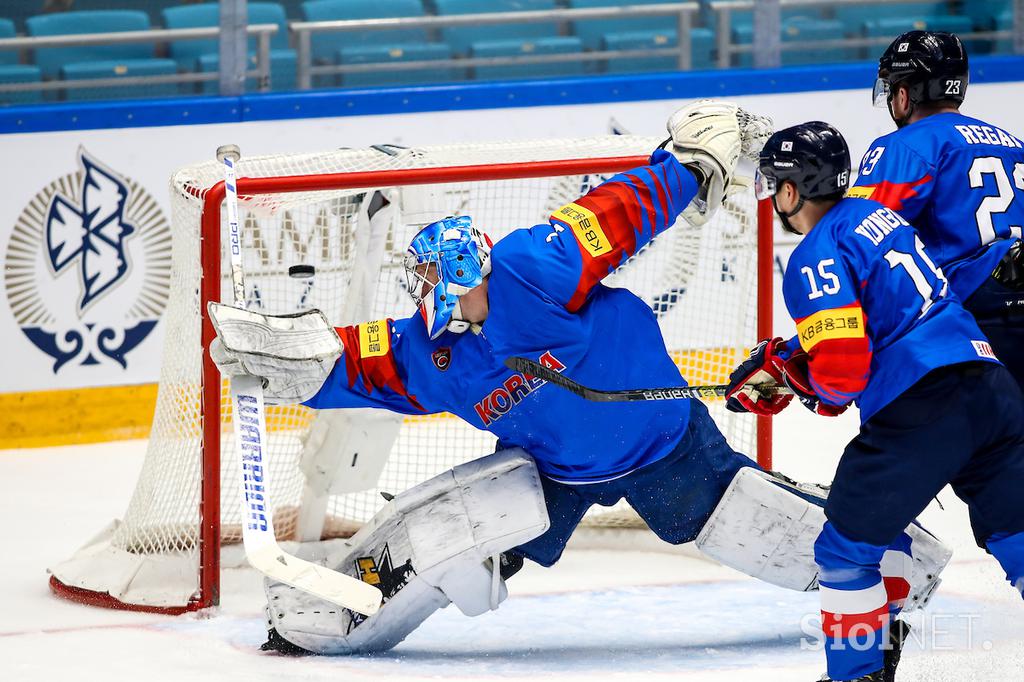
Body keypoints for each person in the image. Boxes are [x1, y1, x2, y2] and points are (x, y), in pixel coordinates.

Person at [208, 102, 946, 657]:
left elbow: (617, 213)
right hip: (555, 472)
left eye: (429, 274)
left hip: (665, 440)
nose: (420, 286)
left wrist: (686, 169)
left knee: (751, 522)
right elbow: (356, 362)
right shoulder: (432, 353)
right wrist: (294, 360)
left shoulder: (532, 266)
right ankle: (332, 617)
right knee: (471, 528)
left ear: (461, 270)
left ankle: (894, 565)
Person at [727, 121, 1024, 682]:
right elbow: (889, 306)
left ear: (791, 191)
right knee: (1019, 534)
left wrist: (799, 381)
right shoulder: (881, 217)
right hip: (992, 385)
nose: (770, 197)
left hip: (922, 406)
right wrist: (793, 359)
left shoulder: (815, 253)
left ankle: (857, 675)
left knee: (844, 553)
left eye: (773, 184)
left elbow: (841, 376)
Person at [851, 30, 1024, 389]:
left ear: (903, 94)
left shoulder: (906, 145)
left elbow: (857, 237)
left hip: (967, 319)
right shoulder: (1013, 144)